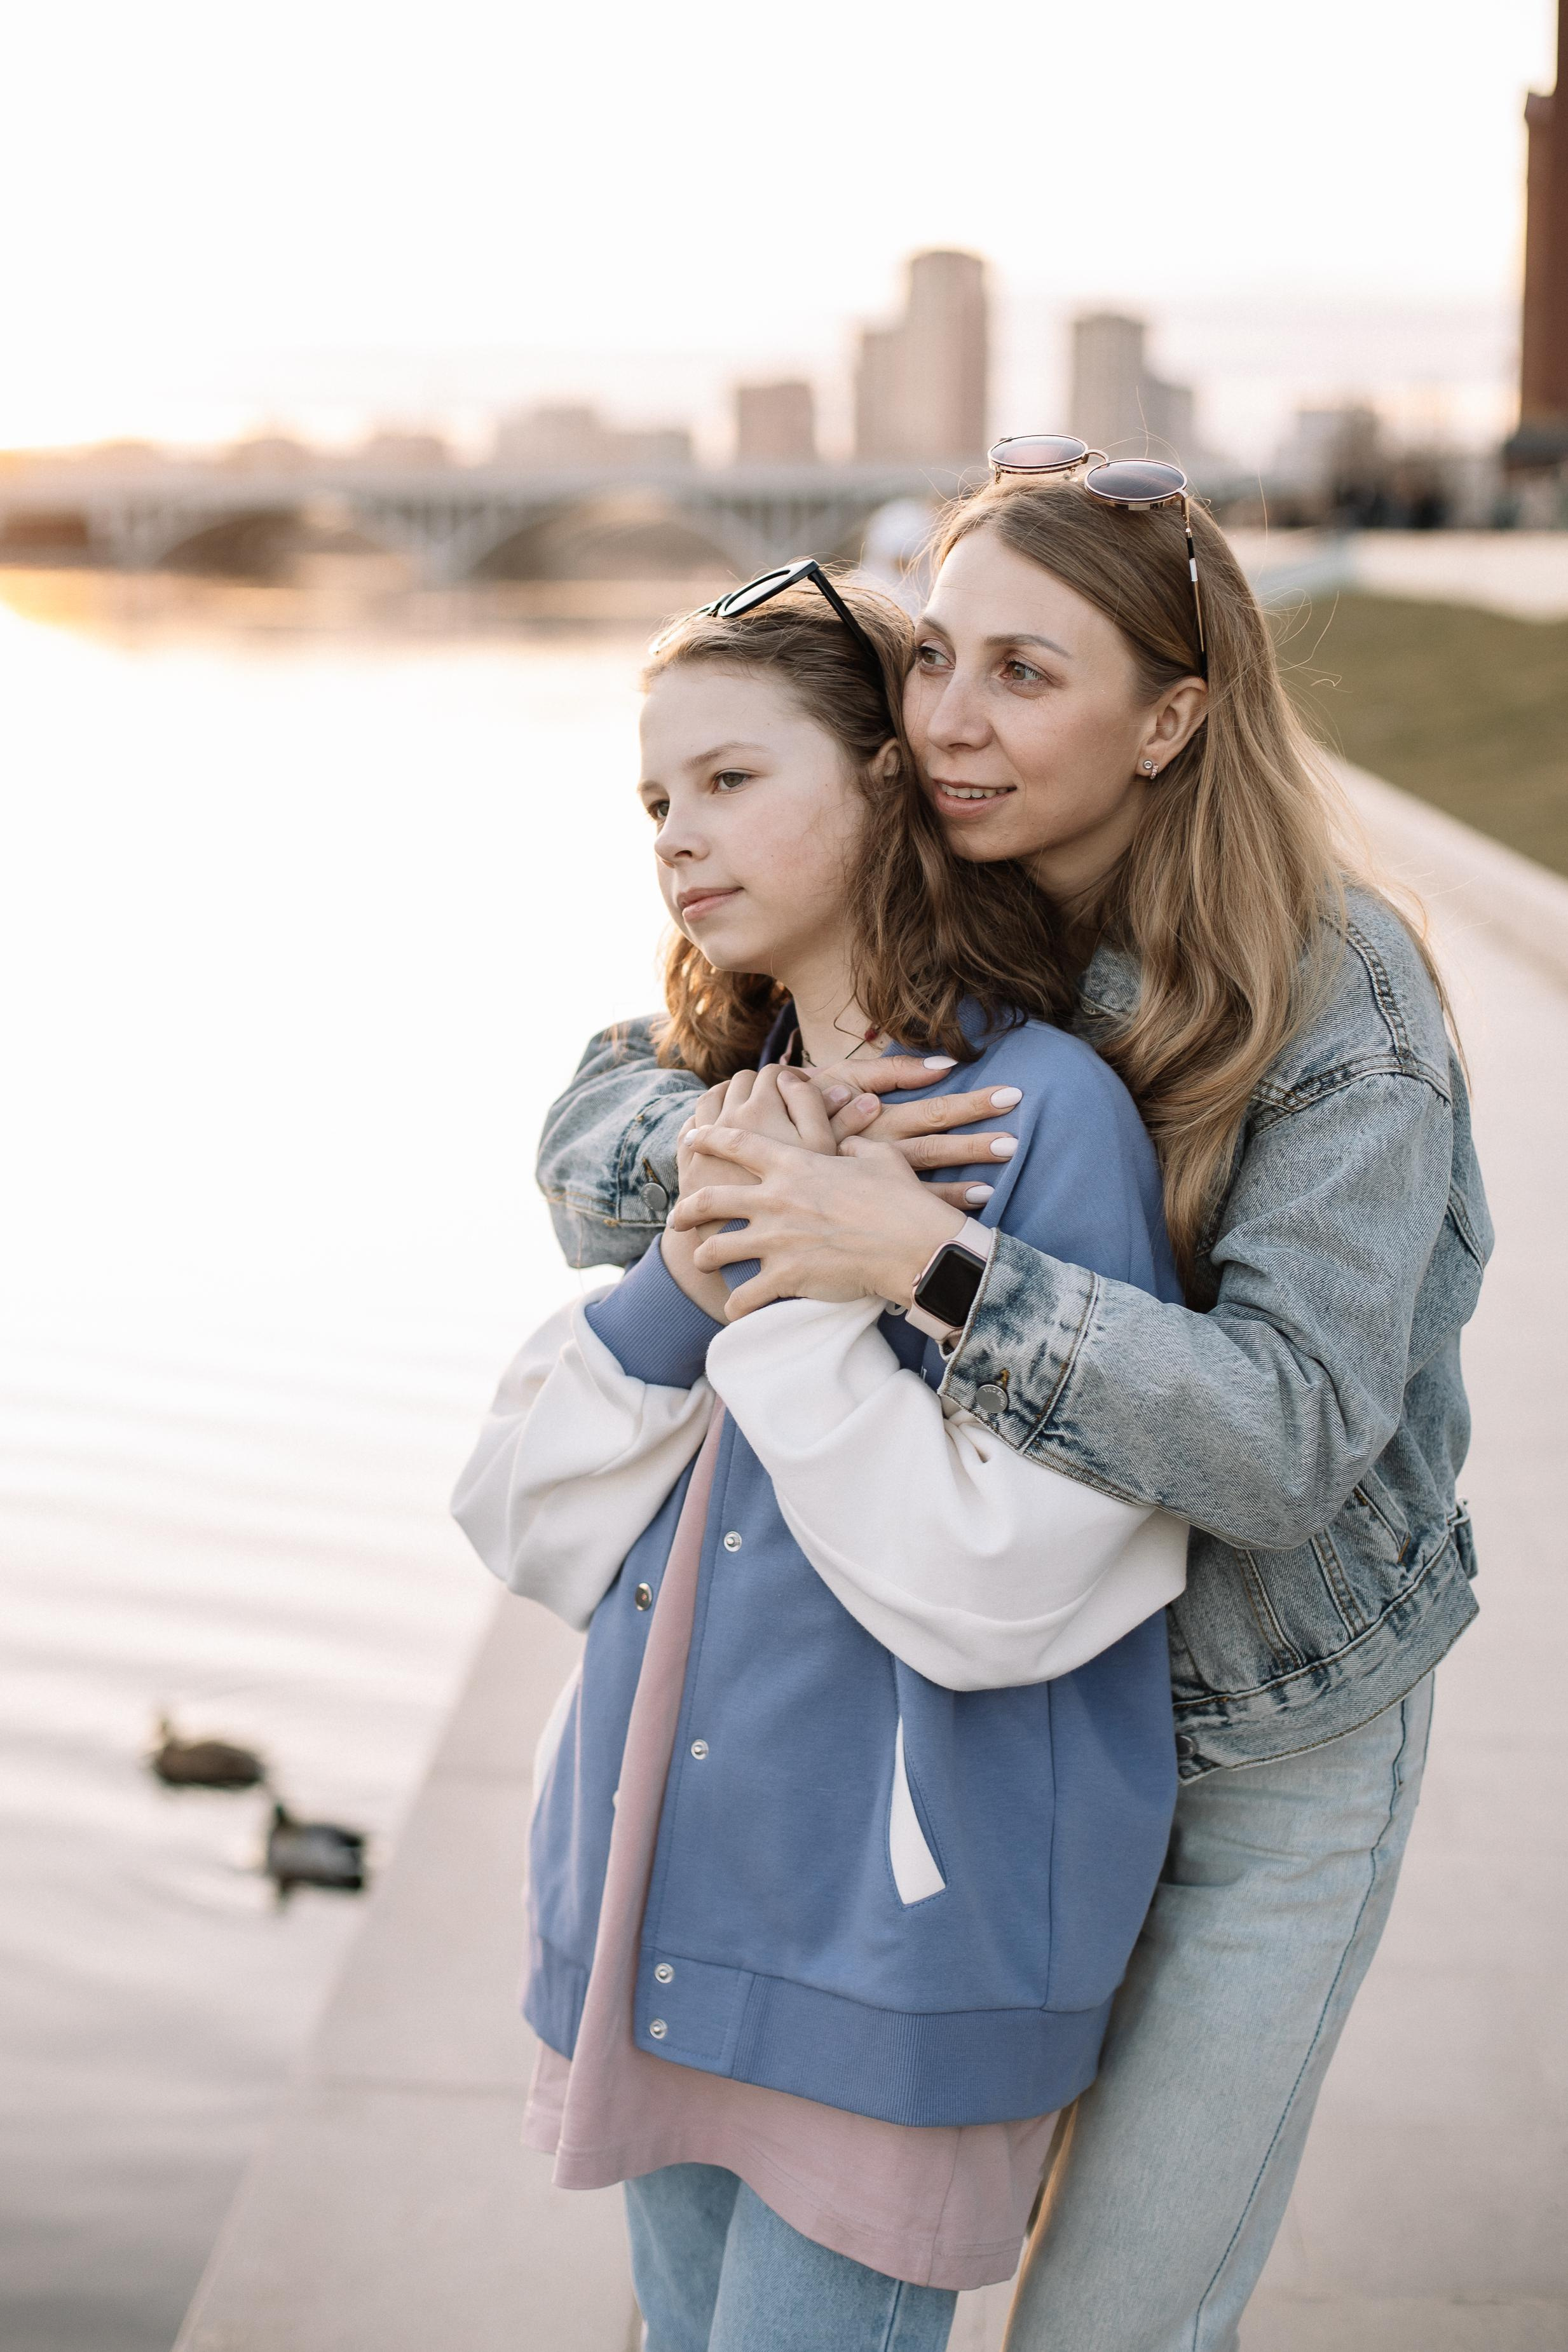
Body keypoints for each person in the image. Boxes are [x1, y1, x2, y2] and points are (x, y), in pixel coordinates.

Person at [535, 467, 1492, 2351]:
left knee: (1119, 2311)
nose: (949, 719)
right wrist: (760, 1142)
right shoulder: (937, 888)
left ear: (1168, 716)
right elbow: (587, 1129)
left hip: (1255, 1735)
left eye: (1025, 674)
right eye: (938, 656)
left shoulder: (1333, 990)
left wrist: (924, 1255)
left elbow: (1287, 1438)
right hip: (1004, 1720)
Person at [453, 574, 1196, 2352]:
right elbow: (522, 1525)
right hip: (664, 1913)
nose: (674, 839)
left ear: (883, 782)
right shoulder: (726, 1091)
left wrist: (787, 1303)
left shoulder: (1038, 1118)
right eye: (653, 800)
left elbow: (1006, 1585)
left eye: (725, 780)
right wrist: (680, 1282)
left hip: (885, 1960)